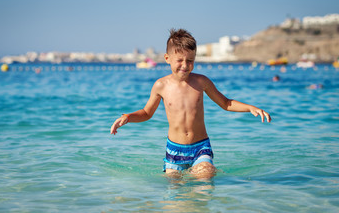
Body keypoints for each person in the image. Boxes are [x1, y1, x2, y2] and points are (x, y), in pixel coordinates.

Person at [110, 29, 271, 179]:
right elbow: (146, 113)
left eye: (190, 61)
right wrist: (128, 117)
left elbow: (226, 103)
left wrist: (250, 108)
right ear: (167, 58)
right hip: (174, 150)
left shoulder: (201, 82)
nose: (185, 65)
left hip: (200, 147)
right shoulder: (161, 85)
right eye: (180, 60)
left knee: (204, 181)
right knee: (175, 193)